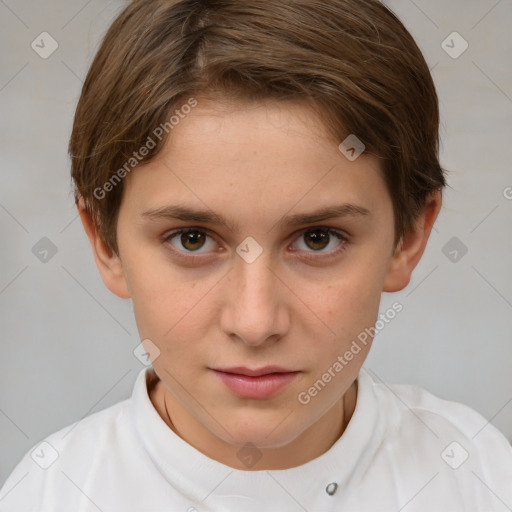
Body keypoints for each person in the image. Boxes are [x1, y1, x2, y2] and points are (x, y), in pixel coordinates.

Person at [1, 0, 511, 510]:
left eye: (317, 238)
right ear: (105, 244)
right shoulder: (48, 495)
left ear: (408, 238)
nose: (255, 322)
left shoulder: (479, 476)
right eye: (192, 239)